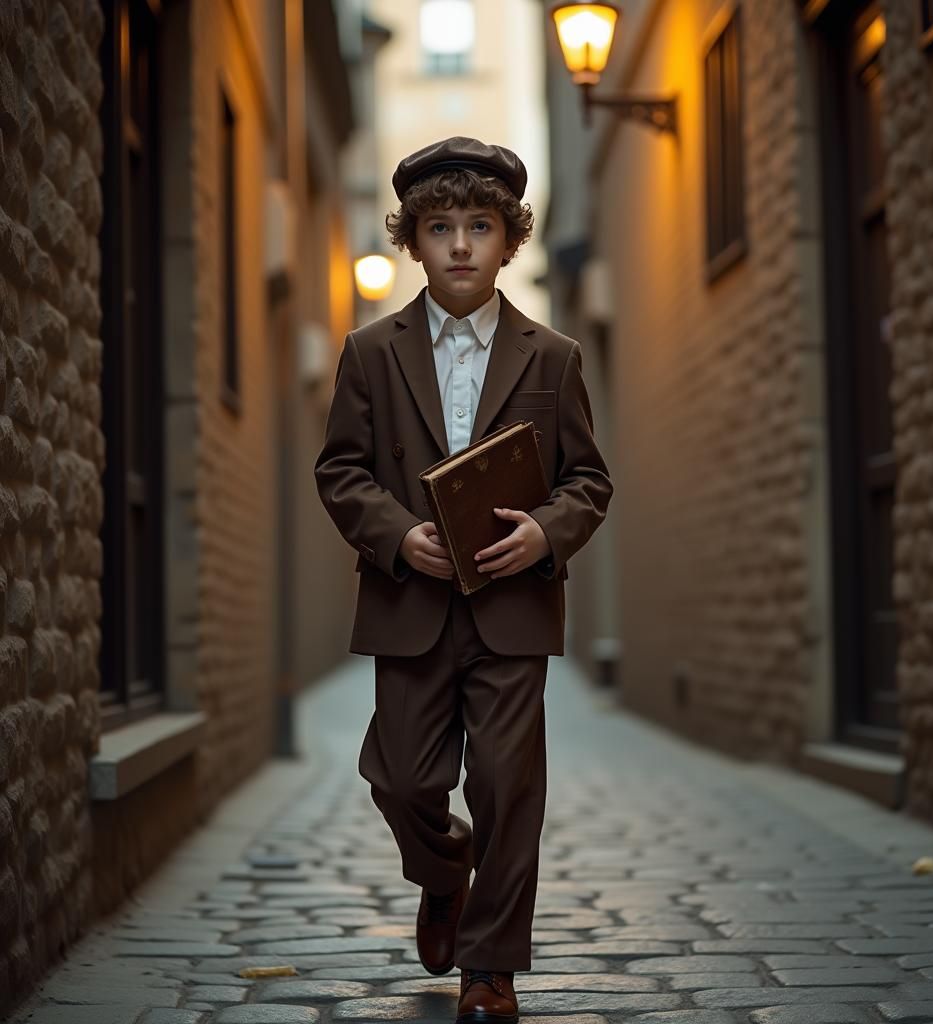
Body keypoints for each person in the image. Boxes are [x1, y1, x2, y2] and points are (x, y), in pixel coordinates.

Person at [313, 136, 613, 1024]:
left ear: (509, 240)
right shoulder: (369, 351)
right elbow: (341, 470)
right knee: (403, 781)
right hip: (409, 604)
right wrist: (400, 536)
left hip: (512, 607)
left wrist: (546, 535)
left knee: (509, 786)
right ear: (413, 238)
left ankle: (490, 970)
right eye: (439, 226)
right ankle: (446, 877)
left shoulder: (552, 355)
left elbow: (588, 480)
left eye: (478, 226)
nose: (458, 245)